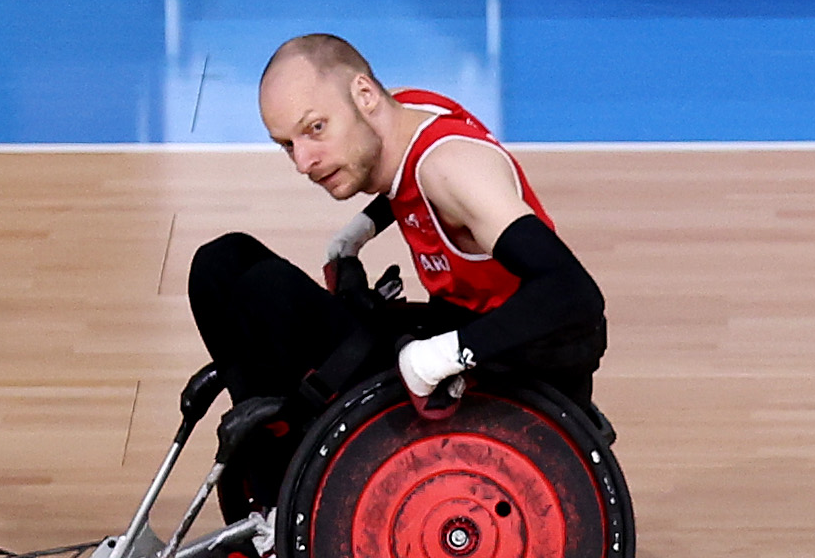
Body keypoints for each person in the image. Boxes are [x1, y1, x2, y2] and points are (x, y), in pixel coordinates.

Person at [182, 33, 611, 521]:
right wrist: (362, 228)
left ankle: (284, 506)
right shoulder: (401, 116)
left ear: (365, 96)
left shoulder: (454, 170)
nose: (303, 162)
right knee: (220, 262)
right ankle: (272, 487)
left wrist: (443, 355)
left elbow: (574, 295)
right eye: (287, 145)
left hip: (507, 381)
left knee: (268, 294)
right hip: (459, 340)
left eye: (315, 129)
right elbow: (401, 177)